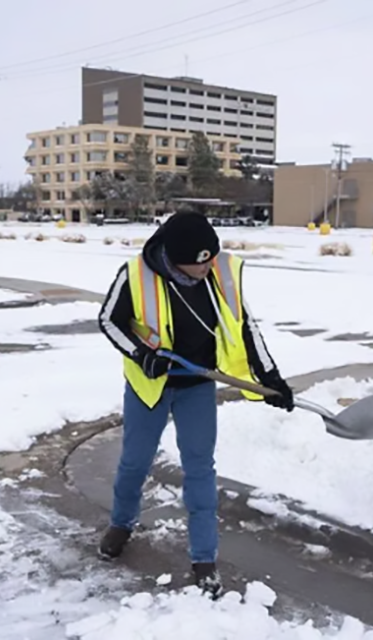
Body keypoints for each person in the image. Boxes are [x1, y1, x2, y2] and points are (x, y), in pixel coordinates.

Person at [96, 211, 294, 597]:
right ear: (173, 256)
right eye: (197, 261)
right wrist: (142, 355)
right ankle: (121, 524)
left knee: (200, 469)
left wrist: (271, 378)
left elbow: (245, 327)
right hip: (149, 387)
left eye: (210, 258)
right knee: (135, 461)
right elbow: (108, 320)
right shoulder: (135, 275)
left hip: (198, 384)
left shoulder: (219, 272)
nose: (206, 267)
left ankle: (204, 558)